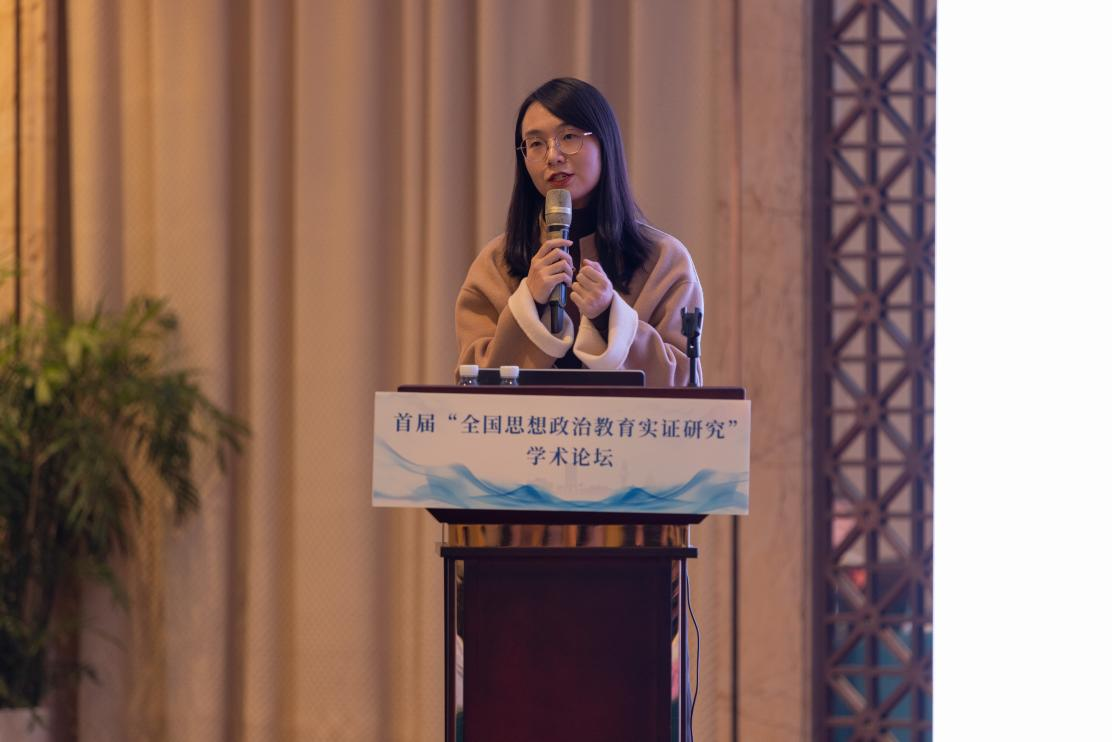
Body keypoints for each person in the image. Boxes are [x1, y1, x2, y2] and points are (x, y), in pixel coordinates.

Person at [454, 77, 703, 386]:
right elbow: (472, 383)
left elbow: (683, 385)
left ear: (605, 143)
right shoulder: (495, 264)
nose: (553, 156)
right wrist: (529, 304)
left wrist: (609, 317)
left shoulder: (664, 261)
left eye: (569, 137)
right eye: (536, 144)